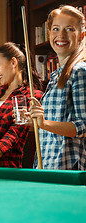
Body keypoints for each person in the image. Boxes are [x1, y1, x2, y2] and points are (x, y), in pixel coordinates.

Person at [27, 5, 86, 170]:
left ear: (81, 36)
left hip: (70, 170)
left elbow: (84, 126)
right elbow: (55, 127)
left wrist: (44, 123)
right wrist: (35, 122)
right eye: (56, 29)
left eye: (69, 29)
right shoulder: (56, 76)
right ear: (50, 33)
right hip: (49, 165)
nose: (61, 35)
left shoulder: (79, 71)